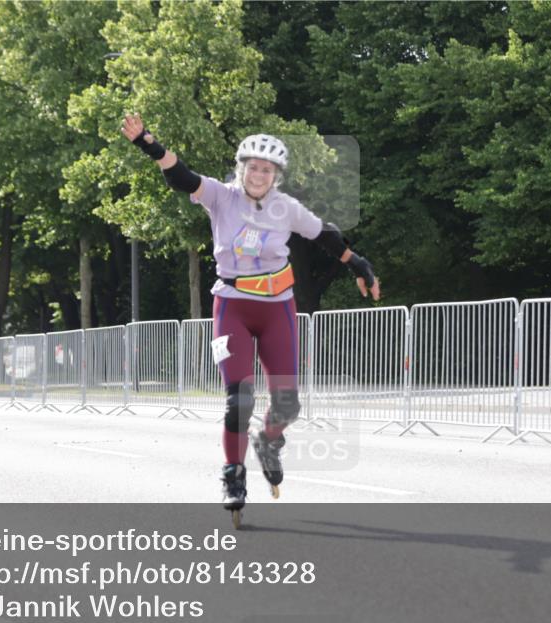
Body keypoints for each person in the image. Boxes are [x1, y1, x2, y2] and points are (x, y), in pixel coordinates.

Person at [121, 114, 380, 518]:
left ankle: (269, 440)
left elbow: (324, 234)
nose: (259, 175)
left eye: (267, 170)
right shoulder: (221, 196)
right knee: (239, 400)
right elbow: (182, 177)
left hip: (278, 308)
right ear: (242, 169)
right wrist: (149, 144)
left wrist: (357, 263)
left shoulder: (285, 207)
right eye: (253, 167)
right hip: (233, 306)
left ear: (276, 176)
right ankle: (233, 473)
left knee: (287, 404)